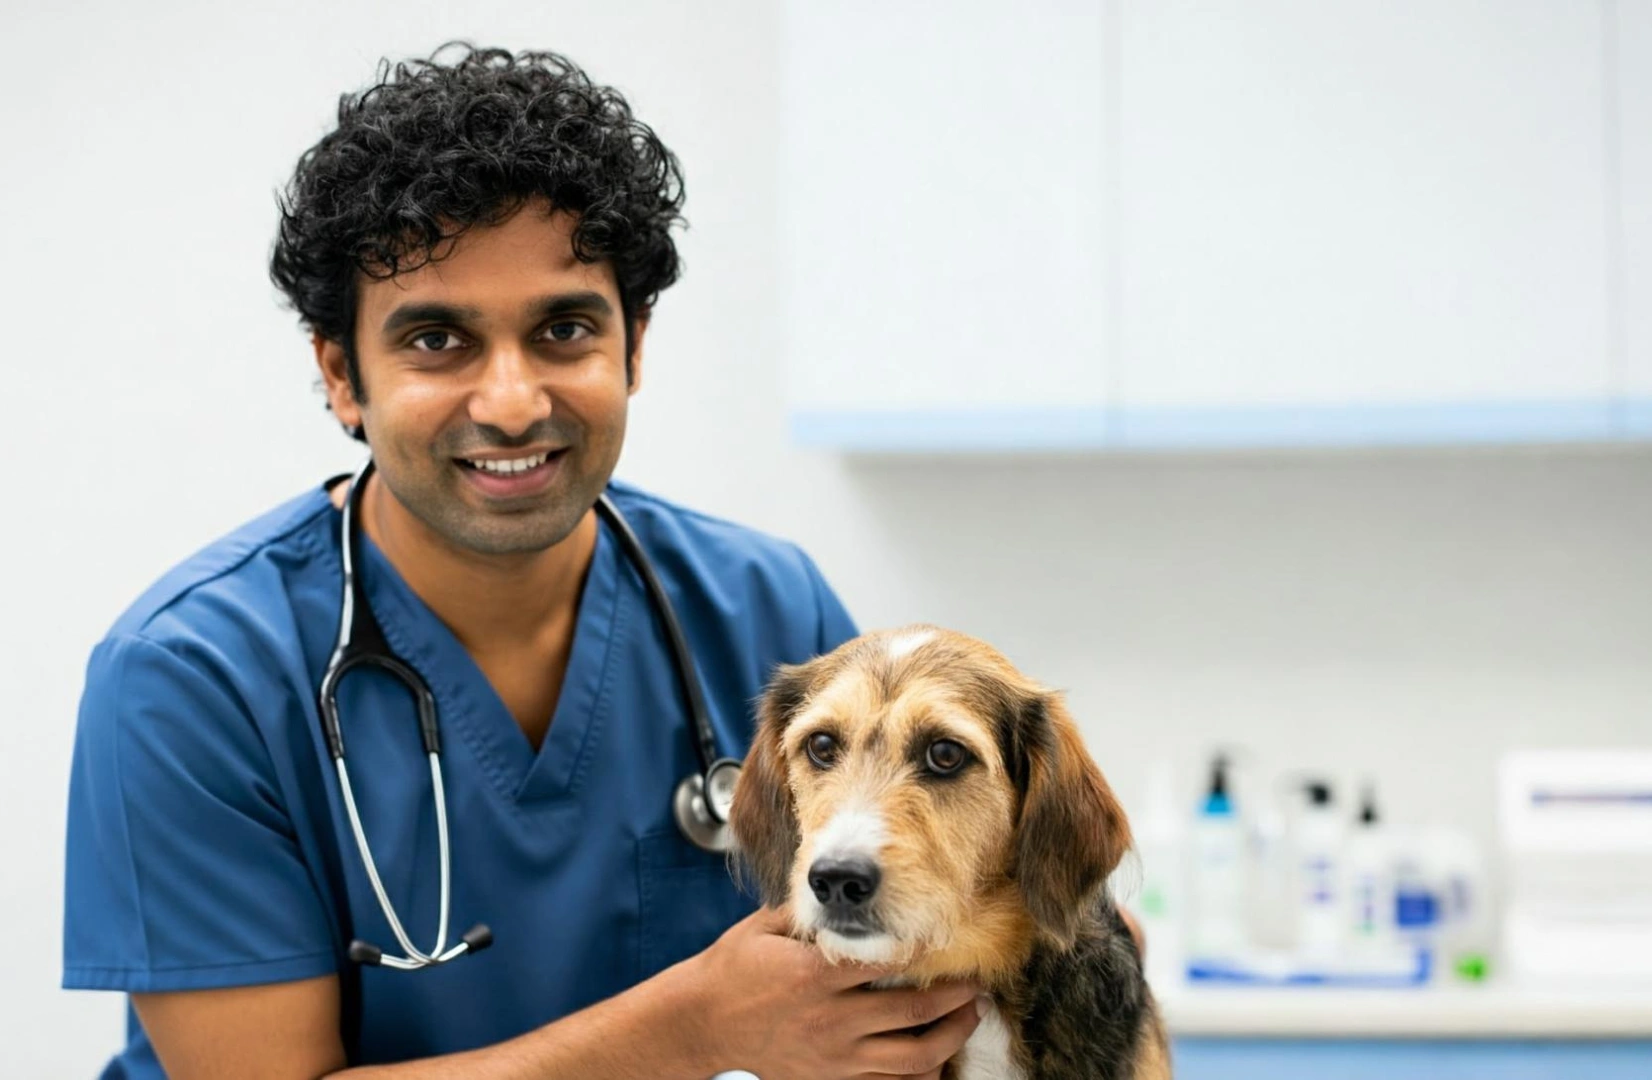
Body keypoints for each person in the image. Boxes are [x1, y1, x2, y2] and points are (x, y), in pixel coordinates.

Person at [61, 42, 995, 1080]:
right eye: (435, 340)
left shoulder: (765, 608)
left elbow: (910, 968)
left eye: (562, 328)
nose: (511, 400)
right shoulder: (191, 678)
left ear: (632, 348)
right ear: (341, 375)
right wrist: (694, 1031)